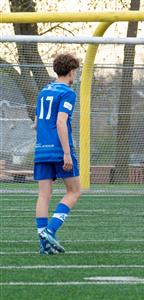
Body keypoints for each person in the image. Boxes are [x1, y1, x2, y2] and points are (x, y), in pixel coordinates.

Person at [33, 53, 81, 254]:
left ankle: (44, 244)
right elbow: (61, 122)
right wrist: (67, 154)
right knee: (74, 191)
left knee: (44, 194)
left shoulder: (43, 91)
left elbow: (36, 124)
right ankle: (50, 231)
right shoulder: (67, 92)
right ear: (71, 72)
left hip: (41, 149)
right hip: (59, 150)